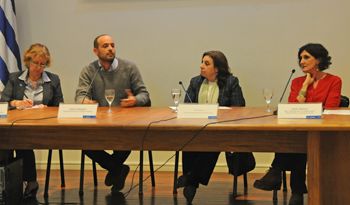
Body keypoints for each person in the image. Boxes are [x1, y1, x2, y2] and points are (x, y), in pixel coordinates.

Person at [253, 43, 342, 205]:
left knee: (298, 143)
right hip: (301, 130)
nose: (301, 61)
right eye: (300, 58)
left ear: (319, 60)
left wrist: (305, 108)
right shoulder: (297, 82)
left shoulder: (334, 81)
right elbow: (293, 105)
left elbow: (331, 107)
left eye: (306, 57)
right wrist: (305, 86)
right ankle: (296, 191)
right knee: (298, 143)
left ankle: (277, 173)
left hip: (323, 131)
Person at [75, 34, 149, 192]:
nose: (110, 49)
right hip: (98, 123)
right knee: (83, 142)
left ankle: (115, 169)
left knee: (128, 140)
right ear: (95, 51)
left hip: (125, 123)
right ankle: (117, 169)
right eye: (105, 46)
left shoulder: (129, 68)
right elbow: (80, 96)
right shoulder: (89, 70)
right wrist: (84, 102)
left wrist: (135, 100)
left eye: (112, 45)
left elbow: (144, 95)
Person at [176, 51, 245, 204]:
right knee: (189, 139)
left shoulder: (231, 82)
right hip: (197, 127)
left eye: (207, 64)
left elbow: (239, 107)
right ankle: (191, 180)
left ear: (217, 69)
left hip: (220, 129)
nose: (201, 66)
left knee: (213, 142)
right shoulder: (195, 82)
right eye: (202, 62)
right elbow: (188, 106)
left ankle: (189, 178)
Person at [0, 43, 64, 200]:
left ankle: (31, 182)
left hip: (44, 126)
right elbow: (4, 102)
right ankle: (9, 184)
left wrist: (45, 109)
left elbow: (59, 106)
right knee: (8, 142)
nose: (39, 67)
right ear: (28, 61)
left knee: (23, 142)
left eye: (43, 64)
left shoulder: (53, 80)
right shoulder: (15, 78)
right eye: (36, 63)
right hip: (18, 125)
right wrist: (17, 103)